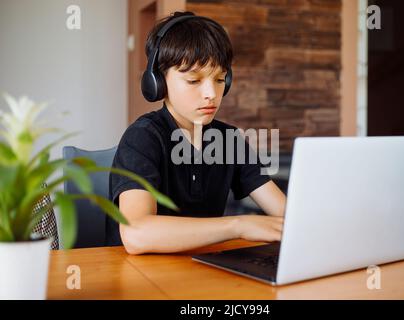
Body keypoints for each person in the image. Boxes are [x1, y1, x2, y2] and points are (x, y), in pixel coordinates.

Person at [108, 11, 286, 254]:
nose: (211, 94)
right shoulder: (143, 137)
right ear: (158, 82)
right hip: (140, 278)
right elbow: (136, 233)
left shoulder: (229, 141)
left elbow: (286, 214)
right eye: (194, 81)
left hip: (202, 272)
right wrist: (238, 226)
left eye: (220, 79)